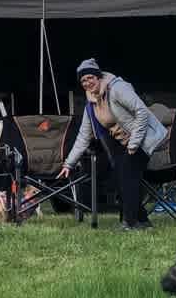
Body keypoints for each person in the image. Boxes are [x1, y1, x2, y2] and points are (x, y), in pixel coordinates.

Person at [60, 58, 167, 231]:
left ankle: (130, 223)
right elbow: (83, 136)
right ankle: (143, 221)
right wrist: (69, 163)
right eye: (83, 80)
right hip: (122, 144)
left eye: (90, 78)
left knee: (126, 175)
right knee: (118, 177)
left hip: (142, 140)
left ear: (98, 77)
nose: (87, 82)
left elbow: (142, 112)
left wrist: (134, 144)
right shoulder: (91, 103)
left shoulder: (117, 88)